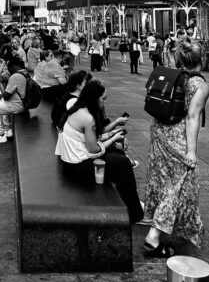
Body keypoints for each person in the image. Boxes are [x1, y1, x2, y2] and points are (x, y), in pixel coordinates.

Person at [142, 39, 209, 257]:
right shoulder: (200, 85)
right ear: (203, 59)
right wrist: (191, 151)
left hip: (159, 132)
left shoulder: (175, 77)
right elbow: (192, 117)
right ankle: (153, 237)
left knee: (163, 180)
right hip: (178, 137)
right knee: (180, 185)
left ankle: (160, 223)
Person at [55, 79, 144, 224]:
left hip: (71, 163)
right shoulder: (88, 118)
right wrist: (113, 138)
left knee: (118, 156)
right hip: (78, 167)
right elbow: (94, 149)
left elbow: (91, 138)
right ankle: (136, 215)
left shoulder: (79, 110)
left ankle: (129, 202)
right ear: (94, 99)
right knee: (123, 163)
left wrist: (112, 134)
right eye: (103, 99)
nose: (105, 102)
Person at [0, 57, 27, 144]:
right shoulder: (24, 73)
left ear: (13, 67)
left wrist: (0, 82)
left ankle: (0, 134)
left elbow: (5, 95)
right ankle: (8, 130)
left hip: (17, 105)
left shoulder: (15, 76)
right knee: (1, 103)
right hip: (22, 103)